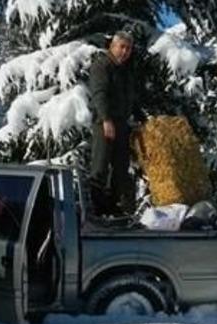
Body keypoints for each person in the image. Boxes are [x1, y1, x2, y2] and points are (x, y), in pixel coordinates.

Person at [88, 30, 136, 217]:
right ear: (112, 46)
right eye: (121, 47)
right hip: (105, 122)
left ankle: (112, 206)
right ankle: (96, 209)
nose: (125, 51)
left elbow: (131, 98)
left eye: (128, 48)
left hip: (122, 123)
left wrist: (141, 118)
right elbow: (99, 94)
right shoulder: (102, 66)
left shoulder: (125, 71)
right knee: (100, 165)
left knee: (120, 167)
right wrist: (106, 120)